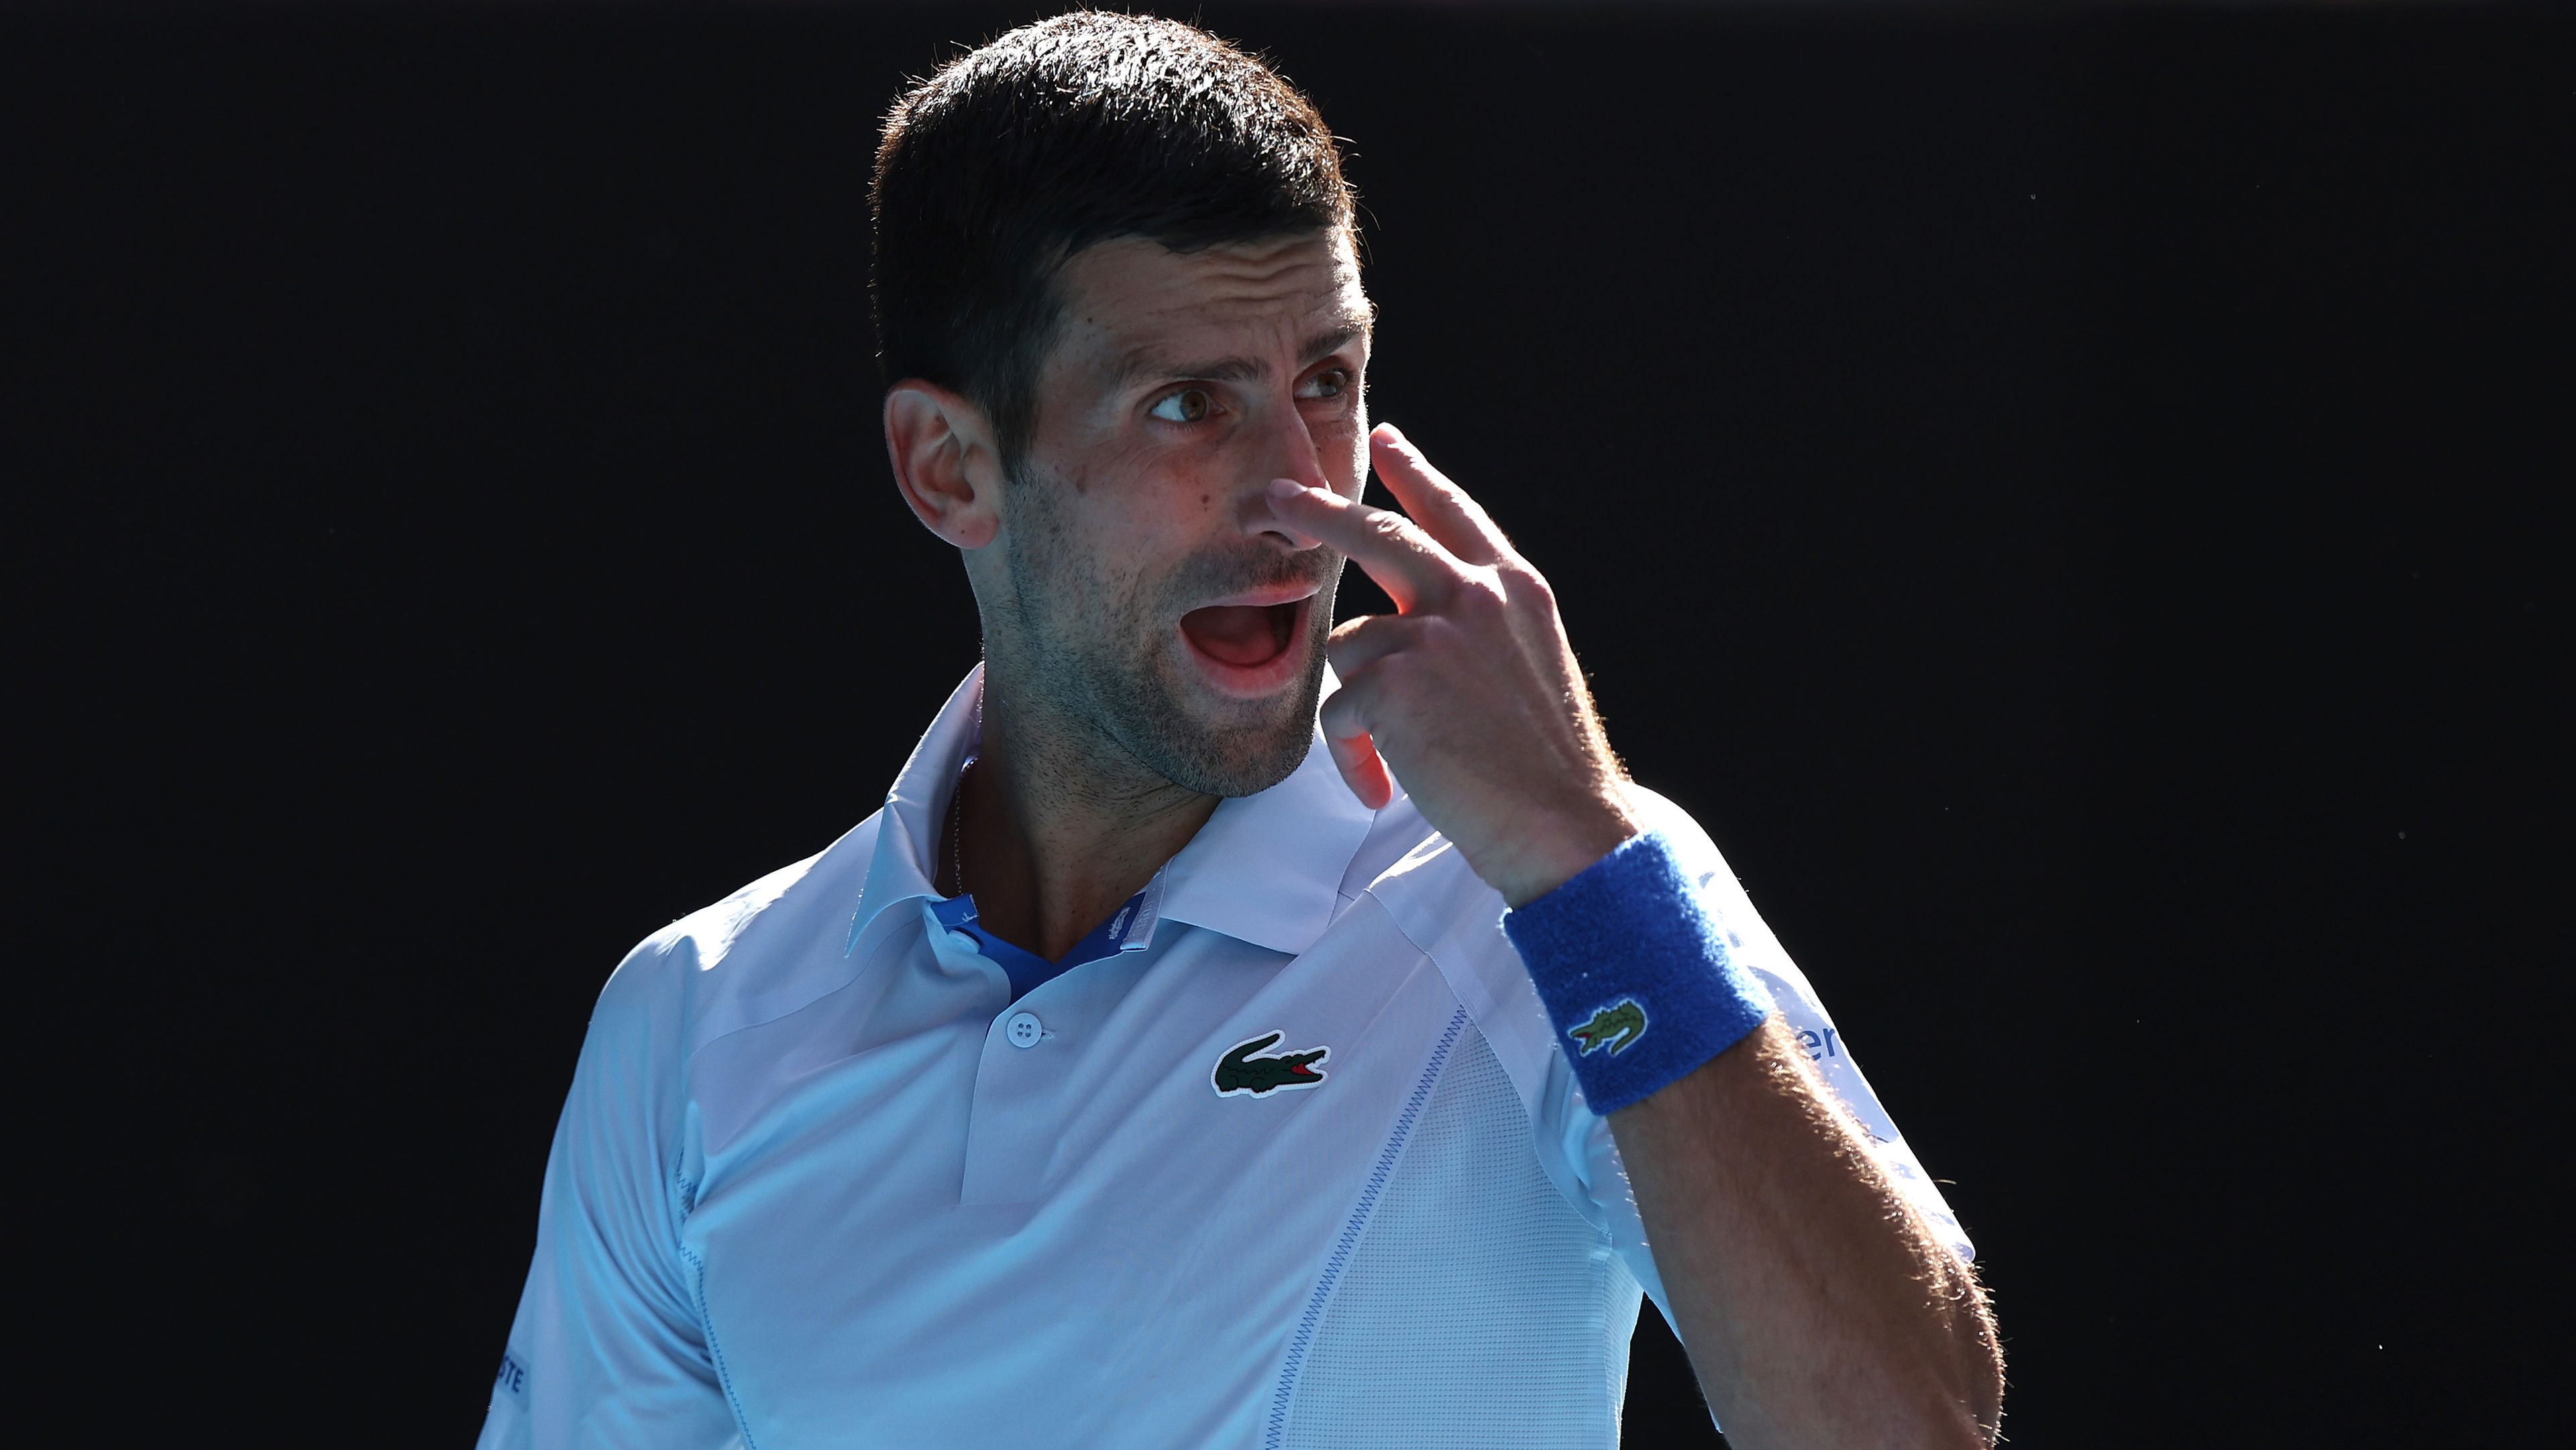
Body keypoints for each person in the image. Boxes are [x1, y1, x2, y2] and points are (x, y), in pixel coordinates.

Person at [476, 12, 2002, 1449]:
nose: (1297, 494)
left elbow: (1908, 1426)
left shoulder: (1561, 898)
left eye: (1326, 381)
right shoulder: (693, 1024)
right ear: (949, 468)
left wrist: (1581, 862)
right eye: (1187, 406)